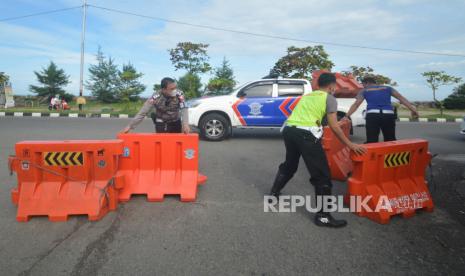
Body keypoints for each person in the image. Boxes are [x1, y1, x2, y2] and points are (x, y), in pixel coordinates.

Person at [269, 73, 366, 228]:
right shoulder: (330, 98)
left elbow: (315, 117)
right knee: (322, 176)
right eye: (334, 87)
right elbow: (334, 126)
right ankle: (323, 216)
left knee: (290, 164)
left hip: (289, 131)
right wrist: (350, 144)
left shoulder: (307, 96)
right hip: (306, 135)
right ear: (332, 86)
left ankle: (274, 193)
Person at [344, 76, 419, 143]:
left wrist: (347, 116)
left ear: (367, 83)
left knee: (372, 140)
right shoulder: (388, 88)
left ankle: (373, 157)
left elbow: (356, 104)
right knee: (390, 139)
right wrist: (413, 109)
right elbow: (401, 98)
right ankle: (391, 156)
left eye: (363, 84)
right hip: (388, 115)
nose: (363, 86)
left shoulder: (364, 90)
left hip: (372, 116)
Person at [120, 77, 190, 134]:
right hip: (161, 123)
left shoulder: (179, 94)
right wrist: (130, 126)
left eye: (175, 88)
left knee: (175, 144)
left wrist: (185, 124)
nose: (175, 90)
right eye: (172, 89)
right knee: (162, 144)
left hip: (175, 122)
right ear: (164, 89)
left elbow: (184, 108)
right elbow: (143, 112)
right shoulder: (155, 97)